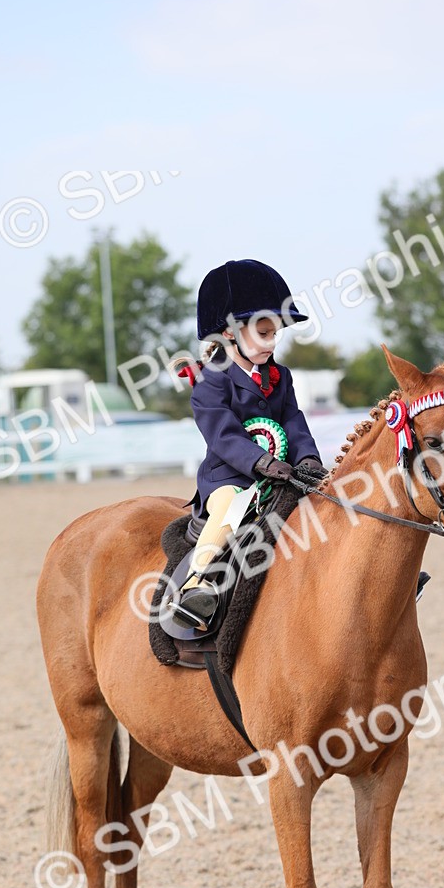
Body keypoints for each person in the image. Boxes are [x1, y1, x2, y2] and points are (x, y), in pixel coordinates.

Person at [171, 259, 324, 630]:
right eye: (263, 333)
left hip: (284, 473)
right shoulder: (210, 380)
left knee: (328, 500)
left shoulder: (280, 376)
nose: (272, 342)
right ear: (229, 333)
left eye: (275, 334)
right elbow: (222, 435)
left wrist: (308, 459)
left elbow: (293, 420)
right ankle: (195, 585)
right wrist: (261, 463)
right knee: (229, 507)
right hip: (230, 478)